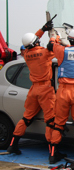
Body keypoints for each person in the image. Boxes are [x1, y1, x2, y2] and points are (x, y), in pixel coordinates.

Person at [7, 21, 56, 159]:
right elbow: (53, 46)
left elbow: (31, 41)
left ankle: (13, 145)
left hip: (33, 89)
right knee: (50, 120)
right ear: (36, 43)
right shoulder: (44, 53)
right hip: (45, 88)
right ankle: (52, 153)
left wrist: (42, 29)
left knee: (26, 118)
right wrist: (53, 35)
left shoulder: (26, 54)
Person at [47, 29, 74, 163]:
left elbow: (50, 46)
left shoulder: (62, 51)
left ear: (70, 39)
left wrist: (55, 37)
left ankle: (53, 155)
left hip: (63, 91)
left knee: (58, 123)